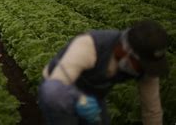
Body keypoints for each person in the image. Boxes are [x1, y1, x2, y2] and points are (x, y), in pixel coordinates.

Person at [38, 20, 169, 125]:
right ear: (126, 51)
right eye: (141, 65)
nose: (144, 70)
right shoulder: (89, 46)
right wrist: (79, 99)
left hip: (93, 96)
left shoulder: (148, 66)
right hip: (58, 88)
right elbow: (53, 89)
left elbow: (152, 111)